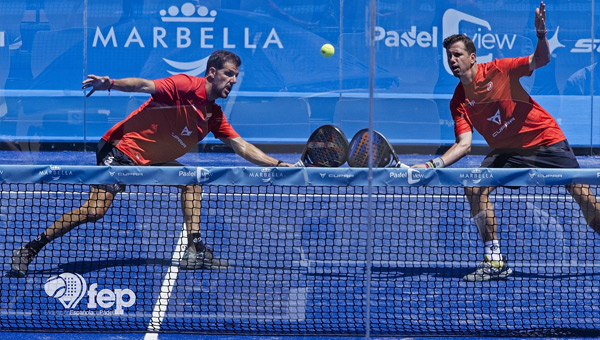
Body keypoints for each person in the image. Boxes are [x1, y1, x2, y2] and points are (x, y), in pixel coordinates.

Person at [9, 49, 293, 278]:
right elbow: (144, 85)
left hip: (147, 161)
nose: (233, 80)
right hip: (120, 150)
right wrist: (111, 84)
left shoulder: (213, 116)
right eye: (229, 74)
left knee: (191, 180)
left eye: (236, 76)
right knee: (95, 211)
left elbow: (240, 145)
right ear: (212, 72)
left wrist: (277, 164)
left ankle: (194, 249)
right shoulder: (184, 86)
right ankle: (29, 249)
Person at [414, 2, 600, 282]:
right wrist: (431, 165)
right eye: (449, 56)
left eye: (458, 54)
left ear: (473, 57)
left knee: (582, 195)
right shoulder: (458, 100)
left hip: (544, 139)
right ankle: (494, 259)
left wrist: (540, 36)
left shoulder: (500, 70)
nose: (452, 60)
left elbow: (541, 61)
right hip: (507, 151)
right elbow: (464, 145)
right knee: (474, 187)